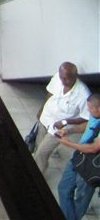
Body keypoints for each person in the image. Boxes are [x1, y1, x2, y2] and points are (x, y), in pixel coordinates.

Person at [33, 62, 91, 173]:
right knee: (38, 145)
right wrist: (41, 109)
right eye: (61, 77)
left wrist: (65, 121)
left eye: (67, 79)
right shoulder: (57, 77)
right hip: (46, 118)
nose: (63, 81)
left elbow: (86, 118)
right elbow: (50, 93)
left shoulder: (83, 94)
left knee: (41, 152)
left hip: (59, 130)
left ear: (76, 76)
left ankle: (37, 174)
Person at [56, 92, 100, 220]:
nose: (88, 110)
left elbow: (93, 148)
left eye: (90, 108)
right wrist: (69, 130)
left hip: (90, 167)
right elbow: (88, 125)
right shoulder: (94, 115)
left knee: (81, 199)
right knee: (63, 188)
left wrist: (69, 145)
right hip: (78, 158)